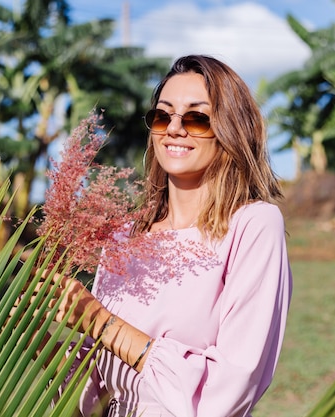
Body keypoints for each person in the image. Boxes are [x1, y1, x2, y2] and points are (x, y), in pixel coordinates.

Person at [48, 54, 292, 417]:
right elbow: (93, 398)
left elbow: (231, 386)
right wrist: (46, 344)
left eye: (196, 118)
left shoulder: (253, 225)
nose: (174, 129)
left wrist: (101, 321)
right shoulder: (121, 236)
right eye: (163, 116)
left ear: (231, 129)